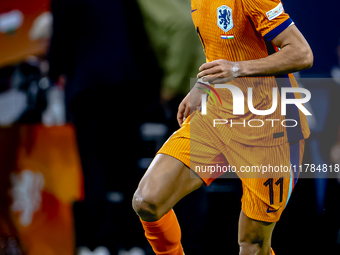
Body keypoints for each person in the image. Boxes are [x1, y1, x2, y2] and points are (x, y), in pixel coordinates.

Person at [132, 0, 313, 255]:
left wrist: (238, 69)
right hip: (219, 116)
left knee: (252, 245)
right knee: (147, 200)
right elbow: (222, 50)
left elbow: (302, 53)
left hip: (270, 127)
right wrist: (203, 84)